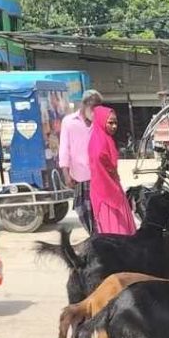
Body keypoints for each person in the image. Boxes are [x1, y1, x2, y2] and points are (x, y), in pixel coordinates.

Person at [59, 90, 103, 234]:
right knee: (84, 213)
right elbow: (64, 148)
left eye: (98, 107)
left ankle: (100, 240)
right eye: (93, 107)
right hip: (80, 177)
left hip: (100, 176)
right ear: (84, 105)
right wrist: (66, 173)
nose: (96, 111)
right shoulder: (69, 122)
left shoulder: (101, 122)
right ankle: (94, 238)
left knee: (101, 215)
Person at [88, 106, 136, 235]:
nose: (114, 126)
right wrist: (111, 173)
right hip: (105, 191)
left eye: (115, 123)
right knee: (117, 231)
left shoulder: (104, 138)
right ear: (101, 121)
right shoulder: (100, 141)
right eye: (110, 123)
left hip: (112, 187)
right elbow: (99, 158)